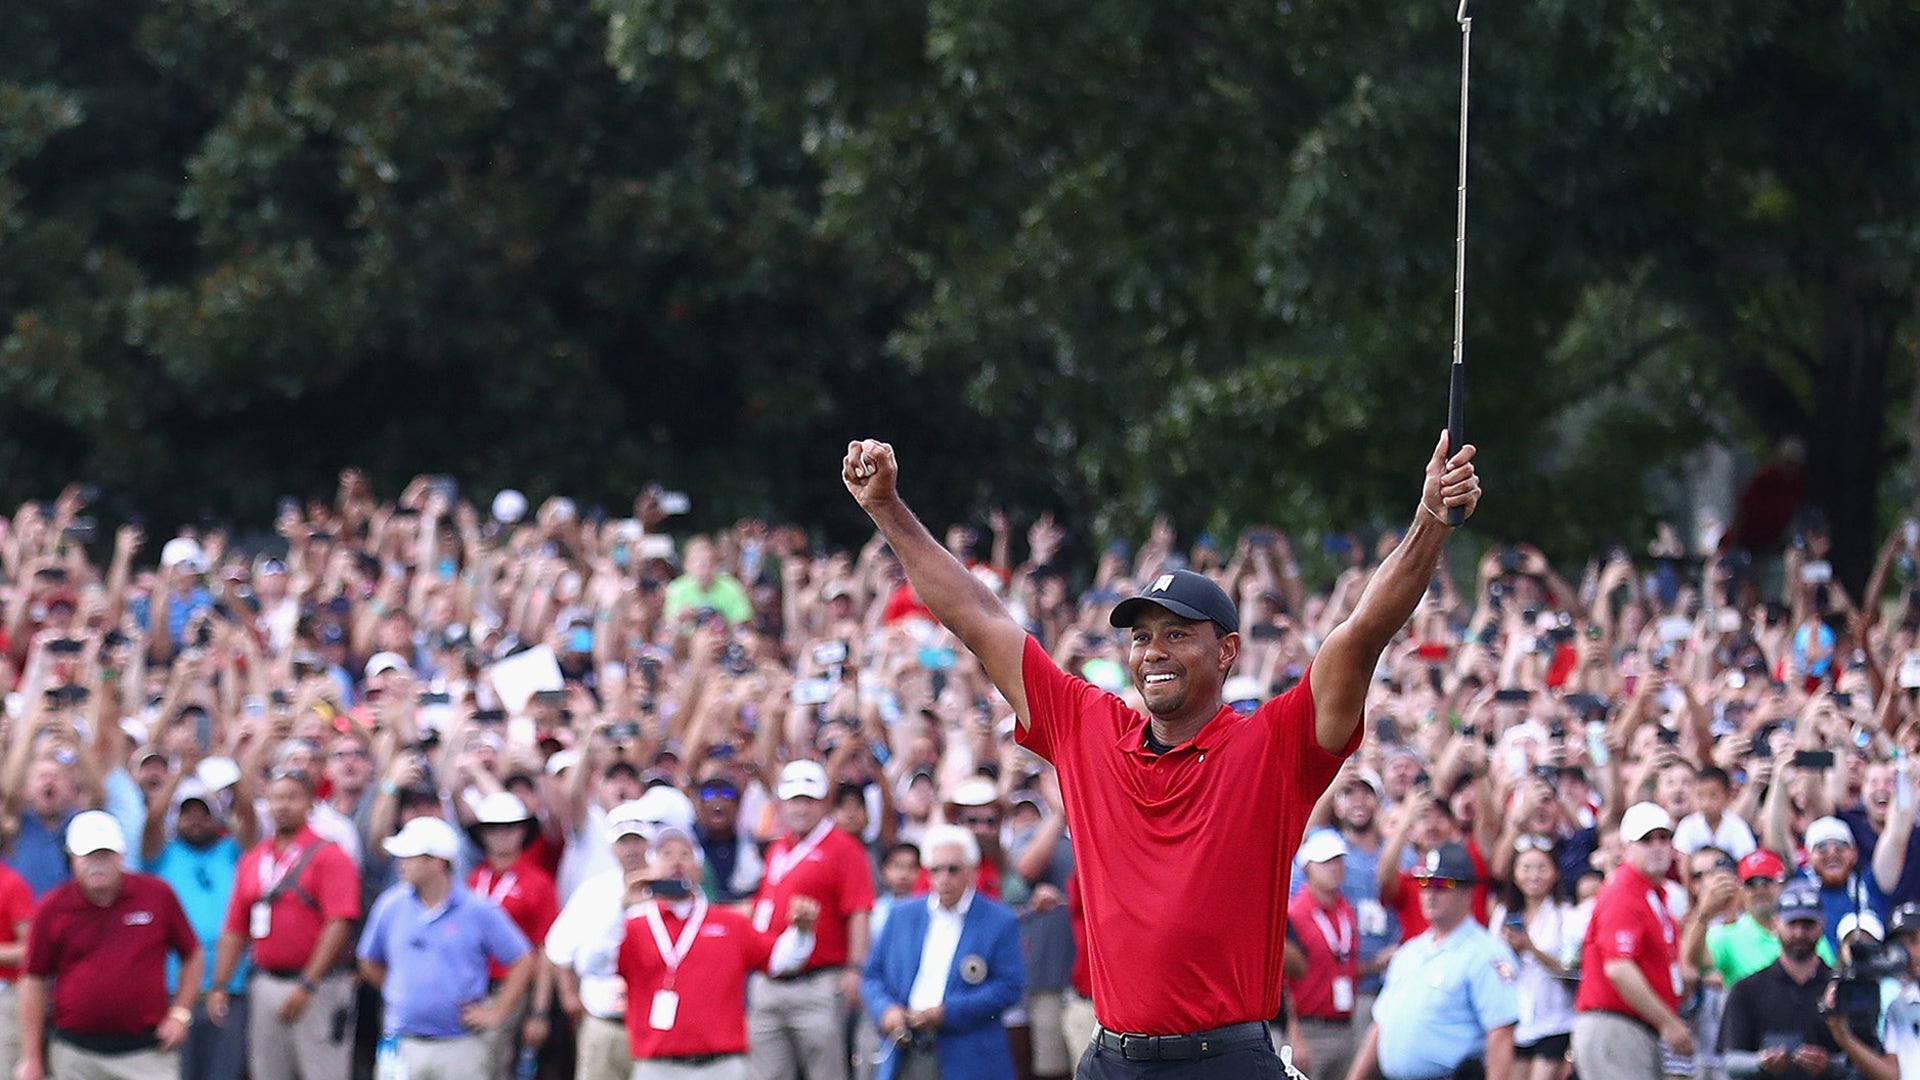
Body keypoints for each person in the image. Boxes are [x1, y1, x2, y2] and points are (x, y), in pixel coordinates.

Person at [839, 429, 1480, 1080]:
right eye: (1142, 637)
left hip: (1227, 1062)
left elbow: (1363, 632)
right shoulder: (1088, 727)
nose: (1153, 652)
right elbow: (977, 615)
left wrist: (1430, 519)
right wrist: (887, 507)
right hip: (1112, 1058)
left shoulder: (1275, 744)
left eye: (1177, 633)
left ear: (1226, 652)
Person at [608, 823, 820, 1080]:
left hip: (722, 1066)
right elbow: (596, 964)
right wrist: (621, 907)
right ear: (651, 867)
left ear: (699, 869)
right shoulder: (633, 926)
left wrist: (801, 932)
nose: (677, 861)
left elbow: (781, 961)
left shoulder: (730, 924)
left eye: (685, 854)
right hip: (657, 1066)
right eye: (666, 854)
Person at [16, 811, 203, 1080]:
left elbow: (192, 954)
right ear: (72, 857)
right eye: (89, 855)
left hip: (146, 1053)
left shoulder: (157, 895)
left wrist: (181, 1013)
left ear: (122, 854)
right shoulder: (52, 907)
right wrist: (31, 1057)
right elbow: (34, 979)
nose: (98, 864)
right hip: (76, 1055)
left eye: (105, 854)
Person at [207, 769, 362, 1080]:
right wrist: (220, 984)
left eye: (292, 797)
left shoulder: (329, 855)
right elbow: (235, 927)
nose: (283, 805)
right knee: (267, 1072)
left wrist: (308, 983)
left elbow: (339, 922)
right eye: (276, 798)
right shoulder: (253, 859)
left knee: (323, 1072)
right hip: (266, 983)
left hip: (320, 986)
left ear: (310, 803)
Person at [356, 816, 536, 1080]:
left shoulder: (477, 910)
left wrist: (496, 1012)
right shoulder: (390, 905)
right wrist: (401, 991)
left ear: (437, 862)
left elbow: (523, 959)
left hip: (460, 1045)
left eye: (410, 857)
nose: (400, 864)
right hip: (401, 1042)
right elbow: (368, 961)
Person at [862, 824, 1026, 1080]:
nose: (943, 878)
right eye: (935, 869)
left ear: (972, 870)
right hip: (907, 1044)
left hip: (970, 1053)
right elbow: (872, 974)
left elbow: (1009, 987)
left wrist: (947, 1013)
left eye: (953, 869)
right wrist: (886, 1011)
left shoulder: (998, 920)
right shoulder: (902, 915)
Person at [747, 759, 876, 1080]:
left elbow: (859, 911)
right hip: (769, 981)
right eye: (794, 800)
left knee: (825, 1072)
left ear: (824, 803)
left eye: (808, 800)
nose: (800, 808)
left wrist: (855, 968)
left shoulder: (844, 848)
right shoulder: (778, 847)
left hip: (819, 982)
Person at [1348, 842, 1519, 1080]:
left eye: (1442, 884)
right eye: (1425, 883)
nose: (1430, 894)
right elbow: (1381, 1023)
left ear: (1467, 892)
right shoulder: (1409, 952)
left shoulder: (1486, 953)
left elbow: (1500, 1032)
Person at [1571, 803, 1693, 1080]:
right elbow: (1619, 968)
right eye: (1646, 840)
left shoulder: (1654, 894)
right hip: (1616, 1025)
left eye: (1664, 838)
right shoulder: (1625, 893)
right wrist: (1669, 1023)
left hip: (1633, 1026)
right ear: (1626, 848)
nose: (1658, 846)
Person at [545, 801, 653, 1080]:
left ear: (648, 844)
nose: (631, 850)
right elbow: (559, 947)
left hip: (654, 1025)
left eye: (637, 841)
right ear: (612, 848)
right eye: (624, 843)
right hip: (603, 1021)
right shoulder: (593, 891)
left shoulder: (668, 888)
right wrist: (569, 994)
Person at [464, 792, 560, 1080]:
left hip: (512, 988)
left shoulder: (538, 883)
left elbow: (546, 950)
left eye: (509, 827)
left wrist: (539, 1011)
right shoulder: (472, 878)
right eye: (492, 828)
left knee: (496, 1066)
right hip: (470, 987)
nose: (501, 835)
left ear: (523, 831)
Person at [1717, 883, 1841, 1080]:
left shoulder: (1839, 987)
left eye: (1808, 925)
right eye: (1792, 924)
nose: (1800, 933)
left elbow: (1863, 1059)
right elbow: (1731, 1060)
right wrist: (1761, 1062)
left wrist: (1829, 1064)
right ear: (1775, 923)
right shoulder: (1747, 989)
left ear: (1823, 924)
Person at [1488, 837, 1576, 1080]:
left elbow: (1570, 969)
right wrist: (1511, 956)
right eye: (1526, 868)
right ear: (1515, 874)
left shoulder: (1566, 915)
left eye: (1541, 868)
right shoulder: (1502, 914)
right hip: (1516, 1020)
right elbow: (1493, 965)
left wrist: (1531, 949)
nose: (1533, 875)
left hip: (1555, 1020)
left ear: (1555, 873)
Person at [1287, 830, 1360, 1080]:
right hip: (1311, 1030)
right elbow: (1283, 983)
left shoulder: (1346, 910)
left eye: (1338, 860)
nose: (1334, 868)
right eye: (1326, 862)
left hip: (1345, 1026)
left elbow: (1342, 963)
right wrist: (1295, 1034)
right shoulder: (1295, 913)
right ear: (1307, 866)